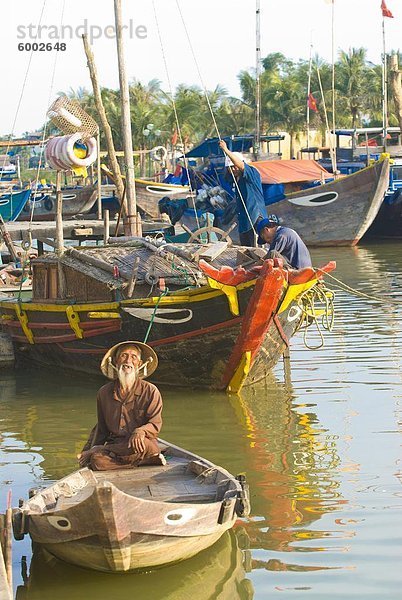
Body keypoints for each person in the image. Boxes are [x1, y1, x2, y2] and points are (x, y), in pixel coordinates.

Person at [77, 341, 165, 471]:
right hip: (117, 447)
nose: (128, 361)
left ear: (139, 364)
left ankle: (109, 451)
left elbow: (155, 424)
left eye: (133, 357)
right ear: (116, 362)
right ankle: (144, 461)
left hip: (142, 444)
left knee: (138, 444)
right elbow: (101, 428)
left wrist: (140, 431)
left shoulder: (151, 391)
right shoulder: (104, 392)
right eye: (123, 356)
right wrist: (89, 450)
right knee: (96, 461)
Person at [218, 139, 266, 246]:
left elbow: (240, 165)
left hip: (256, 218)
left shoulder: (251, 173)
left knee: (257, 248)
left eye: (235, 166)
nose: (234, 169)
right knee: (246, 249)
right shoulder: (236, 180)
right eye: (231, 168)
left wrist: (226, 150)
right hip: (244, 222)